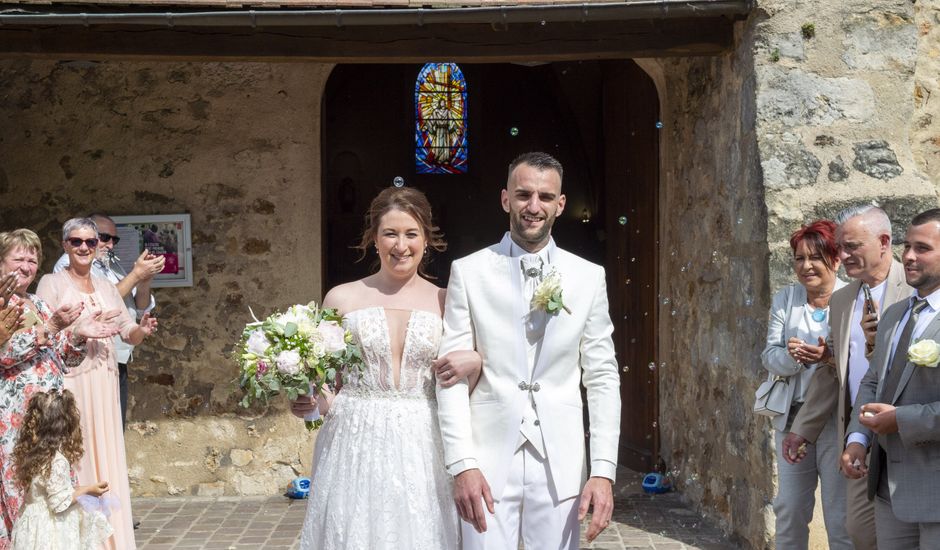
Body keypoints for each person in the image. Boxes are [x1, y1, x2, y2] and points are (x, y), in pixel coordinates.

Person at [436, 152, 621, 549]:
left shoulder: (588, 277)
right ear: (506, 199)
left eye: (544, 196)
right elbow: (449, 375)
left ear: (560, 204)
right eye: (523, 195)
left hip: (561, 464)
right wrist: (462, 463)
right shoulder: (468, 272)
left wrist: (603, 469)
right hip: (486, 460)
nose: (533, 207)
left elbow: (602, 376)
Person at [292, 186, 481, 550]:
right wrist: (309, 403)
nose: (401, 245)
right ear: (374, 239)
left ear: (427, 239)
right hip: (353, 440)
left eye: (411, 234)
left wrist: (476, 361)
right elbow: (327, 387)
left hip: (423, 440)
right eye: (390, 234)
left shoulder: (447, 301)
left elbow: (464, 387)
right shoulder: (341, 298)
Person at [784, 206, 910, 549]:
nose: (843, 254)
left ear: (883, 242)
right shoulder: (842, 300)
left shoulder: (913, 289)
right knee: (859, 532)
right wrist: (802, 430)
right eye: (841, 246)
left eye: (853, 246)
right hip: (860, 438)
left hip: (906, 435)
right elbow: (832, 373)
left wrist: (876, 344)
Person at [37, 218, 158, 550]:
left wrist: (142, 331)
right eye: (76, 242)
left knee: (108, 453)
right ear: (65, 245)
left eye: (91, 242)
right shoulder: (52, 283)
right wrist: (77, 330)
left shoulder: (106, 287)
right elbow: (42, 333)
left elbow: (127, 332)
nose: (84, 248)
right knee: (80, 455)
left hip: (104, 381)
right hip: (72, 382)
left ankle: (113, 540)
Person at [0, 229, 115, 550]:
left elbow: (59, 357)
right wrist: (50, 328)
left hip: (49, 416)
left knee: (56, 489)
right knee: (25, 491)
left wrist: (77, 334)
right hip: (17, 417)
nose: (26, 265)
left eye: (32, 259)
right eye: (18, 258)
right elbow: (3, 354)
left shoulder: (36, 302)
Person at [842, 208, 940, 548]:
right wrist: (857, 438)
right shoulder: (896, 315)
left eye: (923, 248)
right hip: (887, 486)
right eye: (907, 246)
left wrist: (902, 419)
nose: (909, 256)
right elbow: (872, 381)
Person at [759, 220, 851, 549]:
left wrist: (829, 357)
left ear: (836, 259)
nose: (806, 266)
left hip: (835, 422)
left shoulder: (852, 298)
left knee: (840, 513)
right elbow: (769, 355)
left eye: (815, 257)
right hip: (792, 419)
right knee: (790, 508)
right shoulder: (788, 298)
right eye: (799, 258)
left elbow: (864, 362)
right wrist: (792, 356)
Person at [54, 213, 163, 429]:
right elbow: (100, 300)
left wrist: (143, 281)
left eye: (114, 239)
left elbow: (139, 306)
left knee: (113, 426)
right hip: (86, 358)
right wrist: (135, 274)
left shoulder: (111, 265)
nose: (110, 244)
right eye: (104, 237)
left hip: (115, 357)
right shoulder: (70, 262)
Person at [10, 389, 113, 550]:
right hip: (51, 530)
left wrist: (83, 489)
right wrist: (88, 490)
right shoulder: (56, 461)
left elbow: (48, 492)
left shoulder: (33, 454)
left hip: (33, 525)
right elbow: (59, 503)